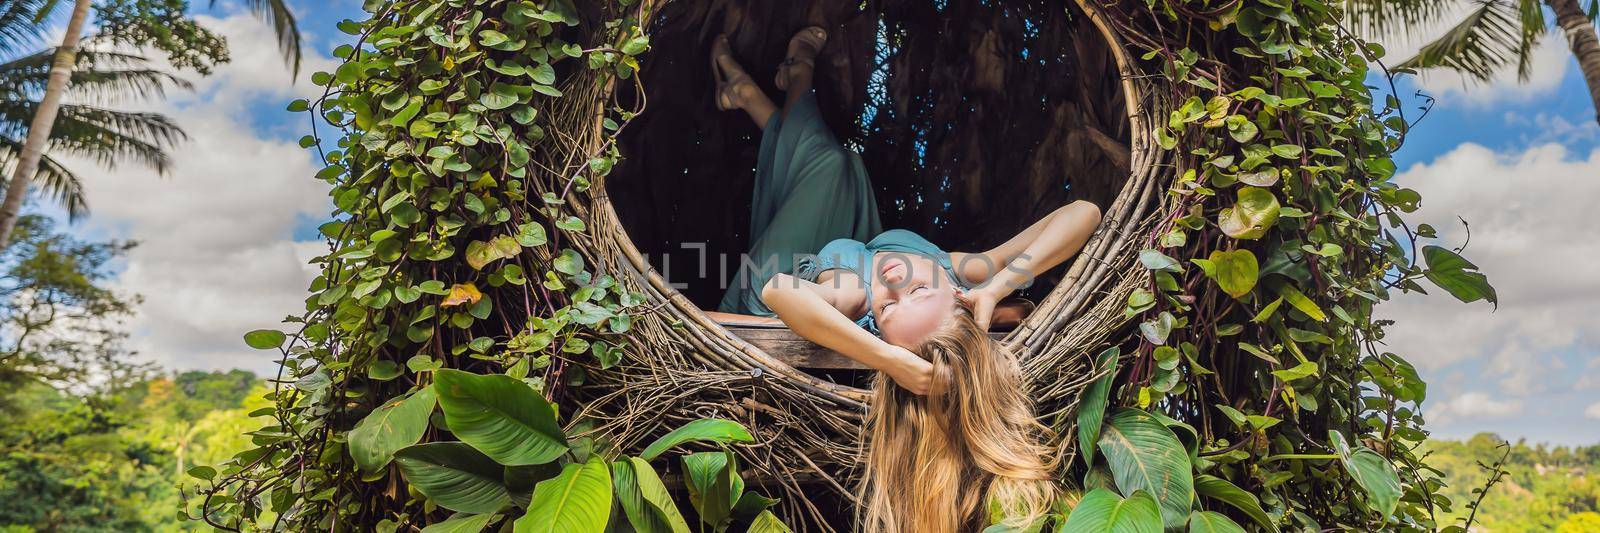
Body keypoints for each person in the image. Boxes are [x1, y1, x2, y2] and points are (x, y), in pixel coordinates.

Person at [709, 26, 1102, 531]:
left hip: (767, 291)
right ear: (957, 296)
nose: (893, 283)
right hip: (850, 234)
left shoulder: (853, 298)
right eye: (917, 289)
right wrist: (998, 286)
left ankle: (795, 78)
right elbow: (1084, 213)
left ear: (877, 323)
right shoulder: (957, 271)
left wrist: (890, 359)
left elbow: (776, 291)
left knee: (831, 167)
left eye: (890, 307)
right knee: (846, 170)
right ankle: (755, 97)